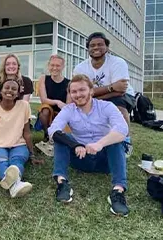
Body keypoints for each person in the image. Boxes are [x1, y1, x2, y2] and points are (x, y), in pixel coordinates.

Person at [48, 74, 129, 216]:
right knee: (62, 138)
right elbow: (52, 131)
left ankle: (118, 191)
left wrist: (100, 143)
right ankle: (62, 183)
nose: (78, 95)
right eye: (74, 92)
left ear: (91, 91)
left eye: (82, 90)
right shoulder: (68, 110)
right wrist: (75, 145)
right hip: (80, 158)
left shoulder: (107, 107)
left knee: (116, 141)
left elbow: (122, 129)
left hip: (105, 160)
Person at [73, 32, 135, 156]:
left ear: (107, 47)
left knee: (119, 110)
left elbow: (121, 89)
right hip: (106, 94)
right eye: (92, 45)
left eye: (100, 44)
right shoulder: (80, 68)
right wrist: (111, 87)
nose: (96, 48)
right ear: (88, 49)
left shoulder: (117, 62)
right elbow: (80, 92)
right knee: (79, 109)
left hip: (122, 96)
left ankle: (126, 142)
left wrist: (92, 95)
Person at [0, 79, 41, 198]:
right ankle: (16, 185)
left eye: (14, 89)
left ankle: (13, 185)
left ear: (18, 93)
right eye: (7, 88)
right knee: (2, 162)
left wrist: (32, 154)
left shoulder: (24, 105)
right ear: (1, 90)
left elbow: (27, 133)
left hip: (18, 144)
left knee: (17, 162)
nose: (10, 91)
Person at [37, 55, 71, 141]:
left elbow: (68, 105)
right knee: (45, 109)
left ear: (63, 67)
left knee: (66, 137)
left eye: (58, 65)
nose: (54, 68)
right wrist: (57, 102)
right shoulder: (43, 79)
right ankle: (47, 134)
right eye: (52, 65)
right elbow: (43, 99)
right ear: (48, 66)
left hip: (62, 111)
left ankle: (57, 134)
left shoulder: (69, 83)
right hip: (48, 110)